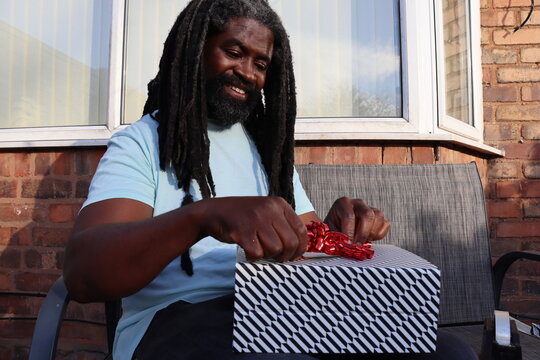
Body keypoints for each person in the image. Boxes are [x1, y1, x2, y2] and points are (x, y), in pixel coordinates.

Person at [63, 1, 474, 359]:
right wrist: (200, 218)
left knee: (449, 351)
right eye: (234, 52)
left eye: (261, 64)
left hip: (281, 308)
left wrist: (334, 230)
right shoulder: (141, 143)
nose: (248, 73)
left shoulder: (267, 152)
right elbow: (84, 274)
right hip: (178, 318)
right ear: (194, 49)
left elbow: (304, 245)